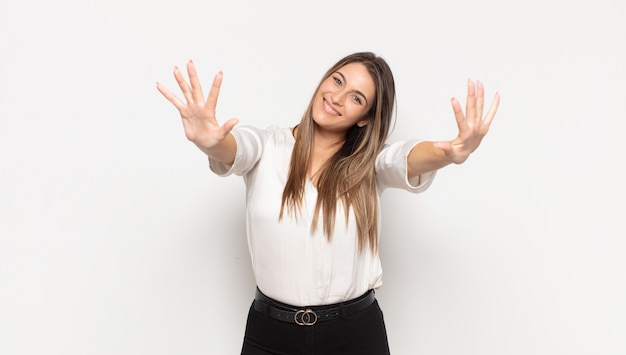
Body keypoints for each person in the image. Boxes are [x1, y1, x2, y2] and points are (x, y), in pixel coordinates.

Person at [157, 52, 500, 354]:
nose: (336, 97)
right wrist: (208, 143)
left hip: (354, 335)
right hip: (270, 333)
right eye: (337, 80)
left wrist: (448, 153)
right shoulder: (267, 146)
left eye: (356, 98)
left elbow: (407, 157)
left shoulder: (370, 165)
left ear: (365, 117)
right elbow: (233, 148)